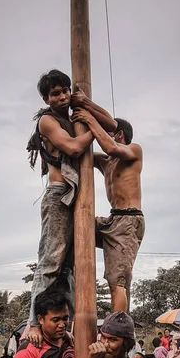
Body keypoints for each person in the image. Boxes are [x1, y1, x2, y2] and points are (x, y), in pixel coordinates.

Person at [27, 70, 113, 341]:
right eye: (55, 93)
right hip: (58, 195)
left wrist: (86, 105)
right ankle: (32, 323)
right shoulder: (47, 121)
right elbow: (75, 149)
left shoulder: (72, 114)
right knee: (51, 261)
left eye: (65, 90)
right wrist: (91, 128)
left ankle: (74, 324)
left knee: (72, 268)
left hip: (76, 198)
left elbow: (110, 124)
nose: (62, 96)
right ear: (46, 98)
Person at [71, 95, 144, 312]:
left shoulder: (133, 151)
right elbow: (77, 152)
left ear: (119, 135)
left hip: (128, 221)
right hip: (112, 220)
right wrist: (83, 107)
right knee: (76, 225)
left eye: (109, 130)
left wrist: (90, 120)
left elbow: (111, 147)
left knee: (117, 281)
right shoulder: (105, 162)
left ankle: (117, 332)